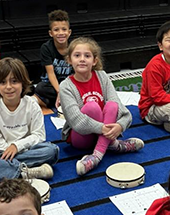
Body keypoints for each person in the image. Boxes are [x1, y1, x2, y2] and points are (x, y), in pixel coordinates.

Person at [59, 37, 144, 176]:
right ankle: (113, 146)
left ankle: (97, 154)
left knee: (111, 105)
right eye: (77, 55)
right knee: (92, 107)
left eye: (87, 56)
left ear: (94, 61)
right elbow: (77, 121)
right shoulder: (66, 86)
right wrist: (104, 129)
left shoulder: (102, 76)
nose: (82, 59)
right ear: (69, 60)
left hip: (104, 132)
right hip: (81, 137)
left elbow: (122, 110)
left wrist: (120, 126)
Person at [0, 58, 58, 183]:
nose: (8, 87)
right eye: (3, 82)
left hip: (25, 149)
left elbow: (39, 135)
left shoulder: (32, 105)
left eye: (14, 81)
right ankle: (26, 173)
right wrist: (8, 150)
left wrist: (17, 146)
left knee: (51, 151)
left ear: (23, 83)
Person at [34, 9, 74, 110]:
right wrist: (60, 92)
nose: (61, 33)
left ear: (69, 32)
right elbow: (50, 73)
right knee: (40, 88)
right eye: (56, 30)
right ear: (50, 33)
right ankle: (65, 99)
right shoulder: (46, 48)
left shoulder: (74, 47)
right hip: (51, 84)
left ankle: (47, 101)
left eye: (64, 30)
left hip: (68, 83)